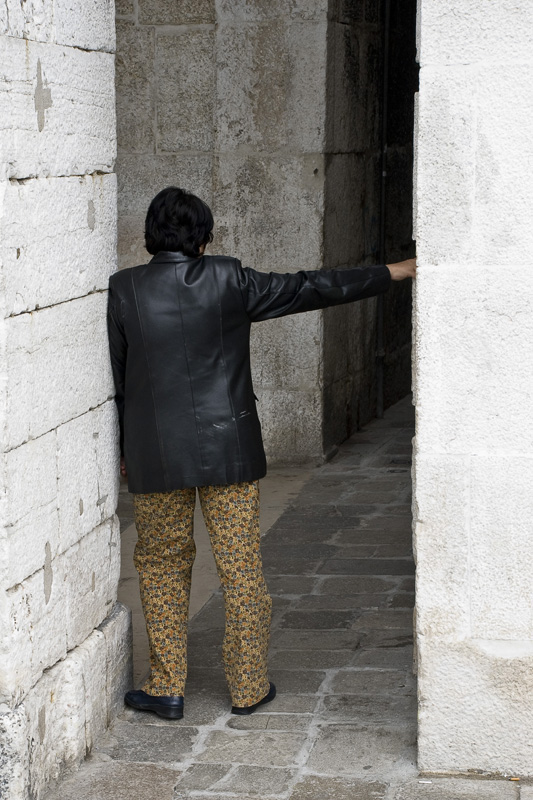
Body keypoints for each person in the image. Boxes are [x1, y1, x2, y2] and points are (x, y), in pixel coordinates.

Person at [107, 186, 416, 721]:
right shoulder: (229, 278)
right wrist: (393, 272)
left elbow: (119, 382)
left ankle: (166, 687)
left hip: (156, 453)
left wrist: (123, 449)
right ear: (204, 238)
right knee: (241, 567)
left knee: (160, 565)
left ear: (150, 236)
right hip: (229, 450)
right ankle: (248, 687)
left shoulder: (123, 288)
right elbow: (310, 287)